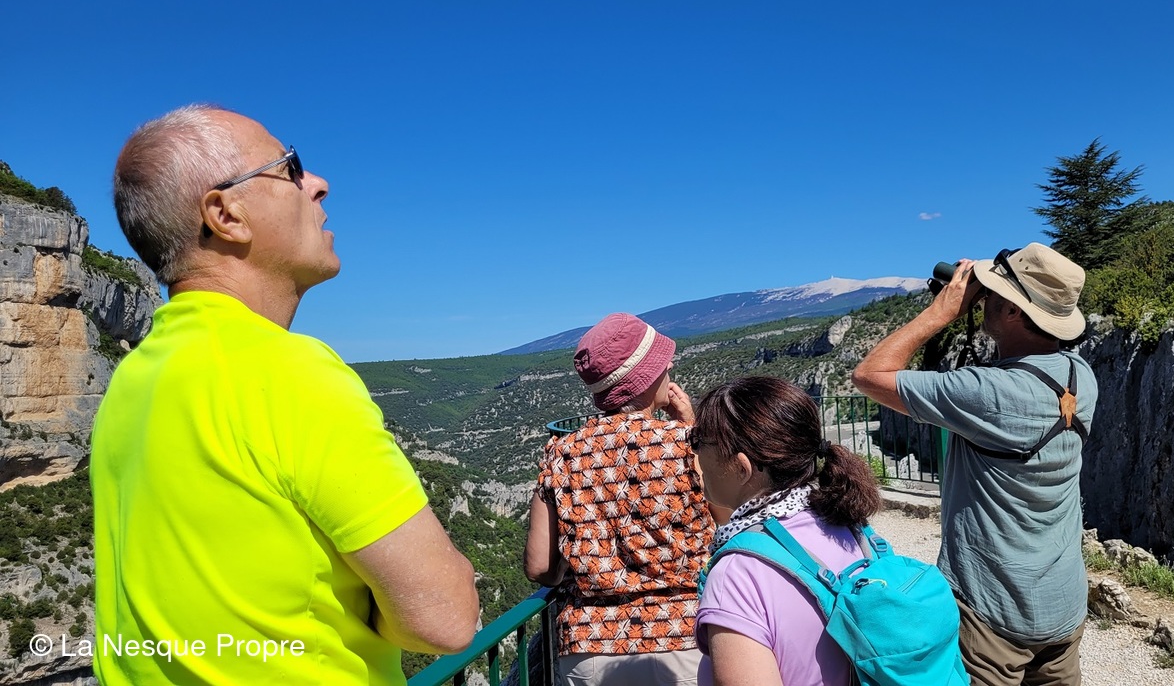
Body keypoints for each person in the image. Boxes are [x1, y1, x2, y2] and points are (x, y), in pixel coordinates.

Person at [92, 105, 479, 685]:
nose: (318, 183)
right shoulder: (286, 369)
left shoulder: (131, 380)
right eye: (290, 168)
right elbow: (445, 620)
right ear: (226, 215)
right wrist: (377, 613)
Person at [851, 242, 1098, 686]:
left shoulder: (986, 393)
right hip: (1063, 602)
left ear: (1014, 311)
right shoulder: (1081, 375)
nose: (984, 298)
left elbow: (868, 376)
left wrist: (941, 313)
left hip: (994, 613)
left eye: (995, 294)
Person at [523, 313, 724, 686]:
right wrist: (691, 428)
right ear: (646, 378)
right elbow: (728, 523)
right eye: (664, 364)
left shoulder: (561, 453)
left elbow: (539, 567)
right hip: (684, 641)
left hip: (590, 650)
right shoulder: (685, 444)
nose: (670, 369)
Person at [692, 375, 883, 686]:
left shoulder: (737, 575)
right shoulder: (851, 527)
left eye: (697, 441)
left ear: (741, 468)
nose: (695, 455)